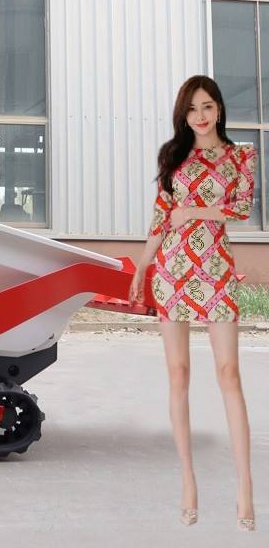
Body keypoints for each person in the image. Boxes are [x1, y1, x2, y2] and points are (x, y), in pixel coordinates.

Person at [128, 74, 257, 531]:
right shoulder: (173, 155)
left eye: (206, 107)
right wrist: (142, 268)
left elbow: (242, 208)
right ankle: (188, 481)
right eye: (191, 109)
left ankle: (245, 487)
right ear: (183, 116)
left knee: (229, 374)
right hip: (172, 271)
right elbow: (161, 217)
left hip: (216, 270)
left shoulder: (241, 156)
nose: (199, 116)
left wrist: (195, 211)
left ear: (219, 108)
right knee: (178, 374)